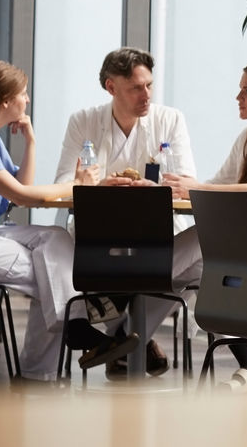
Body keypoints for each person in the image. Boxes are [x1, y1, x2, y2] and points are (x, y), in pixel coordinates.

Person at [0, 60, 134, 382]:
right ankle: (46, 362)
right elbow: (22, 197)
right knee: (51, 274)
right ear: (6, 100)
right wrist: (80, 185)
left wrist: (30, 141)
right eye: (24, 93)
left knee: (57, 239)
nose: (27, 100)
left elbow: (23, 187)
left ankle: (69, 335)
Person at [52, 46, 202, 378]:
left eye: (149, 85)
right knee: (147, 268)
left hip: (158, 232)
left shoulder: (170, 119)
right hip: (99, 234)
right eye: (136, 88)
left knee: (190, 258)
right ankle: (134, 340)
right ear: (111, 87)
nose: (146, 95)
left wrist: (157, 188)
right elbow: (64, 180)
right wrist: (96, 185)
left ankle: (120, 337)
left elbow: (187, 181)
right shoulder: (84, 121)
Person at [162, 58, 247, 390]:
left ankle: (125, 297)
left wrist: (195, 188)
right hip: (245, 241)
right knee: (206, 268)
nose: (239, 97)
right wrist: (185, 187)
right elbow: (219, 183)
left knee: (197, 251)